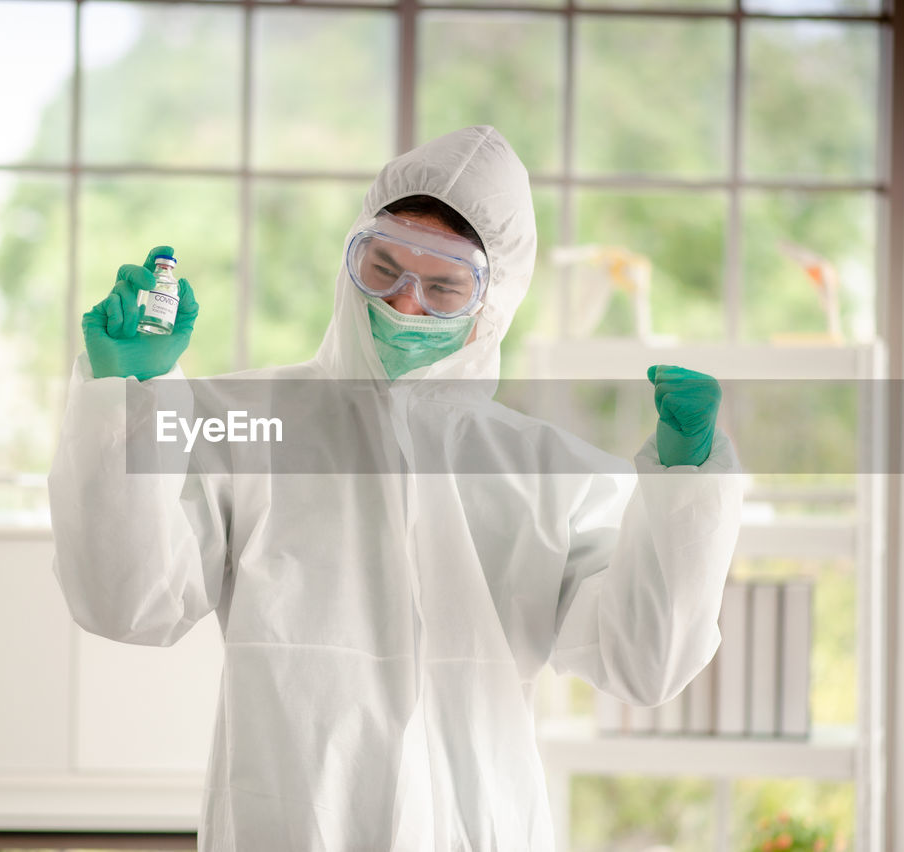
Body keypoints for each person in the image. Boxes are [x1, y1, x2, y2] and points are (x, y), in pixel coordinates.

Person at [49, 125, 743, 851]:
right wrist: (128, 397)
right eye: (382, 269)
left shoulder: (543, 473)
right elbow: (127, 605)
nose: (404, 305)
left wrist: (684, 489)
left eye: (443, 286)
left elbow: (641, 663)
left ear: (492, 300)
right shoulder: (249, 428)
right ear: (352, 255)